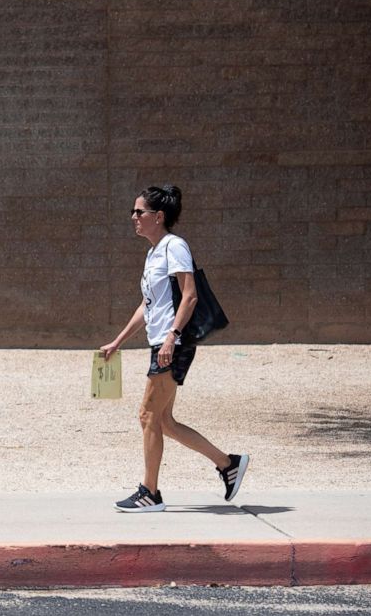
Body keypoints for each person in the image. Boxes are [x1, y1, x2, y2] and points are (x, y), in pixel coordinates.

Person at [100, 185, 248, 513]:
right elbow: (147, 305)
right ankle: (228, 464)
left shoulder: (174, 246)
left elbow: (190, 295)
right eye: (133, 212)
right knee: (163, 420)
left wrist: (171, 337)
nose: (133, 217)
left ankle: (149, 493)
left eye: (140, 212)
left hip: (174, 345)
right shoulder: (154, 253)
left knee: (147, 415)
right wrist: (118, 341)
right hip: (163, 343)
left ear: (159, 216)